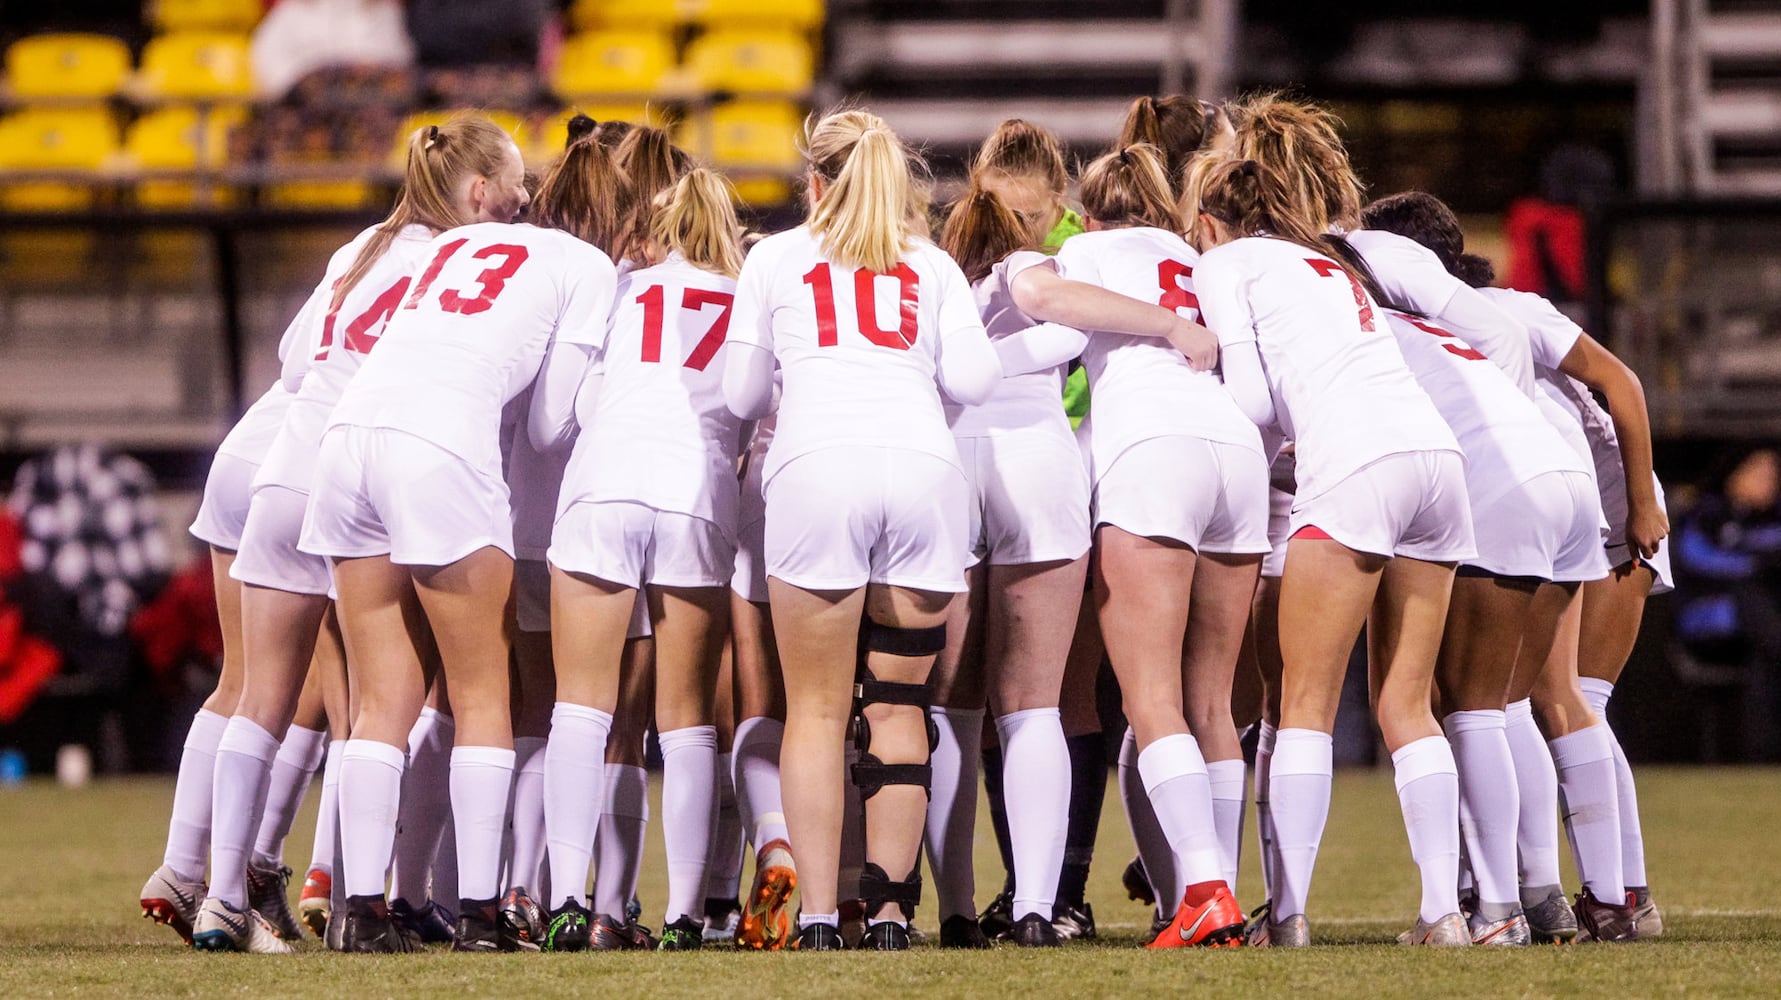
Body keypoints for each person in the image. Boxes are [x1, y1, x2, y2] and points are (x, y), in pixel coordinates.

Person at [189, 115, 526, 955]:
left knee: (258, 701)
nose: (524, 202)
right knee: (371, 709)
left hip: (283, 468)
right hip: (356, 480)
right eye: (515, 186)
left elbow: (294, 356)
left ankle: (220, 895)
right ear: (479, 192)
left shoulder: (364, 246)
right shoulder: (461, 260)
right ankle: (359, 890)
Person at [301, 121, 634, 954]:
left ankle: (361, 908)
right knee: (482, 693)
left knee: (382, 702)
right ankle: (483, 912)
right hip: (439, 447)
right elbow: (553, 423)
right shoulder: (587, 266)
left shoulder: (456, 244)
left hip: (347, 443)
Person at [721, 108, 1002, 952]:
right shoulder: (931, 264)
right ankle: (889, 913)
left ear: (814, 181)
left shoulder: (775, 256)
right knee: (899, 705)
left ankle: (816, 917)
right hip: (923, 471)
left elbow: (739, 397)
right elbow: (977, 380)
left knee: (812, 710)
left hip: (817, 469)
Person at [1362, 190, 1671, 942]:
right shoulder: (1442, 325)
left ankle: (1588, 894)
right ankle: (1594, 896)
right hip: (1565, 499)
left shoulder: (1498, 310)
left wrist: (1639, 499)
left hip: (1585, 502)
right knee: (1534, 702)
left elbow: (1620, 382)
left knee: (1549, 699)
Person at [932, 156, 1224, 947]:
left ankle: (955, 911)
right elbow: (1063, 325)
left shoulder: (935, 281)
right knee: (1035, 708)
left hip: (953, 464)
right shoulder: (1040, 265)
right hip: (1042, 467)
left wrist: (974, 370)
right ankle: (1038, 905)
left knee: (954, 714)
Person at [1190, 155, 1475, 948]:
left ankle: (1286, 918)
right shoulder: (1326, 259)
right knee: (1407, 704)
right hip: (1436, 464)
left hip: (1355, 464)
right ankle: (1440, 914)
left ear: (1212, 220)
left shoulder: (1224, 260)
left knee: (1304, 705)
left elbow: (1250, 398)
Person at [531, 166, 746, 953]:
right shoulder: (746, 294)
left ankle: (565, 902)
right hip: (696, 489)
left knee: (580, 709)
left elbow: (580, 405)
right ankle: (686, 914)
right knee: (685, 723)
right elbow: (759, 399)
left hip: (606, 482)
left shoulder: (620, 287)